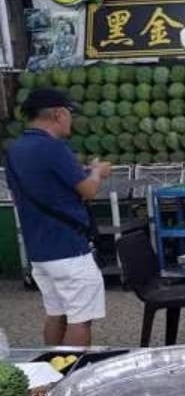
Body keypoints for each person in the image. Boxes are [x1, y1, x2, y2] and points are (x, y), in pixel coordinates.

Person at [5, 89, 110, 346]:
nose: (70, 120)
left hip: (39, 251)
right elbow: (88, 190)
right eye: (69, 114)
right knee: (80, 319)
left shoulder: (14, 150)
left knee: (56, 313)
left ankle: (53, 370)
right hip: (68, 249)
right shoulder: (54, 148)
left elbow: (41, 185)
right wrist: (97, 172)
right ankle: (71, 375)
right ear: (58, 114)